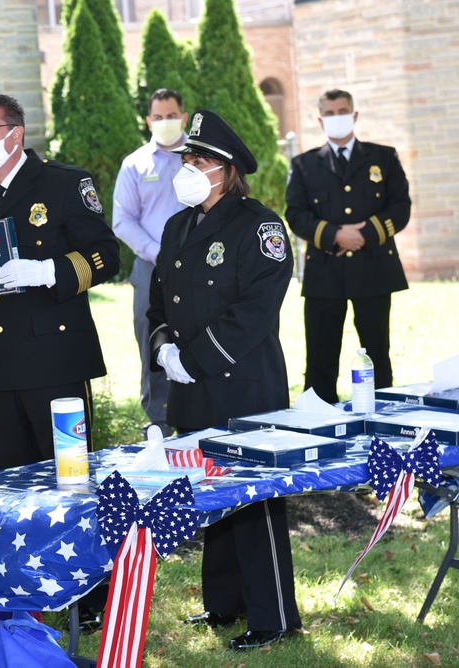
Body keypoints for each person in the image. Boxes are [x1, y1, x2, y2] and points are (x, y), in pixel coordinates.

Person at [147, 110, 302, 650]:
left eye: (201, 159)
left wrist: (198, 357)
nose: (188, 166)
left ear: (228, 169)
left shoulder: (259, 227)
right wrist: (165, 348)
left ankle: (274, 616)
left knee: (254, 500)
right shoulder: (176, 226)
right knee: (212, 492)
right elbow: (158, 304)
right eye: (185, 158)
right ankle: (223, 605)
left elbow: (256, 309)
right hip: (191, 385)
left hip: (243, 384)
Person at [0, 93, 120, 471]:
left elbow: (106, 256)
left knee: (69, 474)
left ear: (15, 135)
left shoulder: (65, 183)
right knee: (12, 479)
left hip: (54, 362)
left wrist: (47, 271)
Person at [286, 88, 411, 403]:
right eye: (329, 113)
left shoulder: (384, 157)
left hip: (374, 269)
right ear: (320, 119)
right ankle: (318, 420)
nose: (336, 117)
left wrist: (364, 234)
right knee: (319, 355)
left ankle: (382, 416)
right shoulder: (303, 164)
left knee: (377, 353)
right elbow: (296, 214)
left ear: (354, 115)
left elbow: (400, 207)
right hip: (324, 274)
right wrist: (334, 235)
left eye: (342, 111)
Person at [112, 88, 189, 438]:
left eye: (171, 116)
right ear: (148, 121)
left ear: (183, 117)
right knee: (153, 340)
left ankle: (198, 413)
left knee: (202, 335)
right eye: (158, 117)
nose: (165, 122)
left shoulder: (200, 158)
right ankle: (158, 420)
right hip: (151, 266)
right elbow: (123, 219)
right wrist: (158, 251)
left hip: (203, 268)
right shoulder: (135, 164)